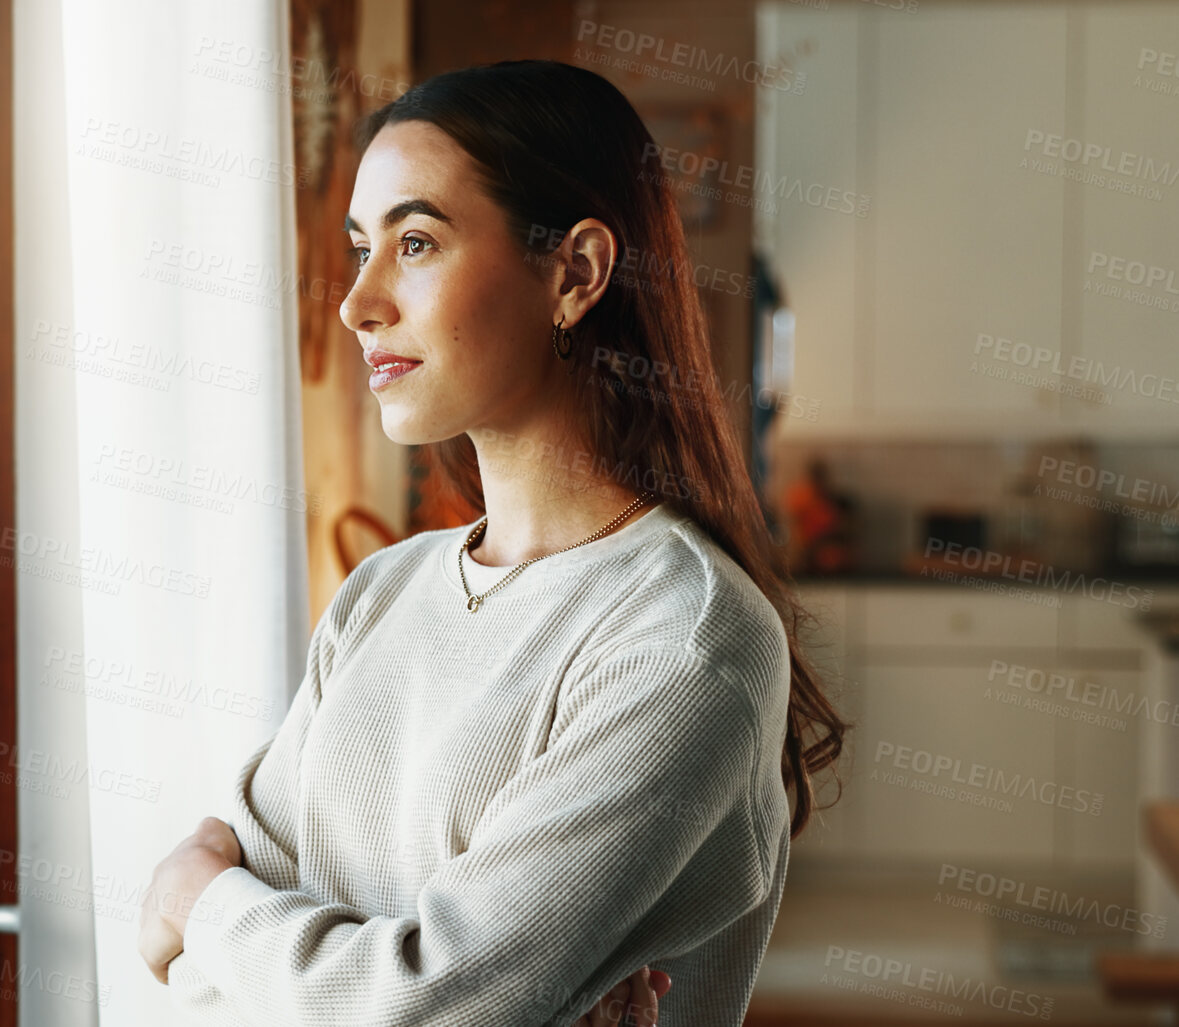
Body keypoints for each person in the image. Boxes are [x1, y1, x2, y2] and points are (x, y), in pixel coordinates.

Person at [137, 59, 849, 1026]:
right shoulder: (380, 594)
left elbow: (416, 1002)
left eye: (417, 242)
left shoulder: (687, 638)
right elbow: (176, 969)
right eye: (360, 248)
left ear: (574, 272)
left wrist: (203, 897)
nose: (357, 303)